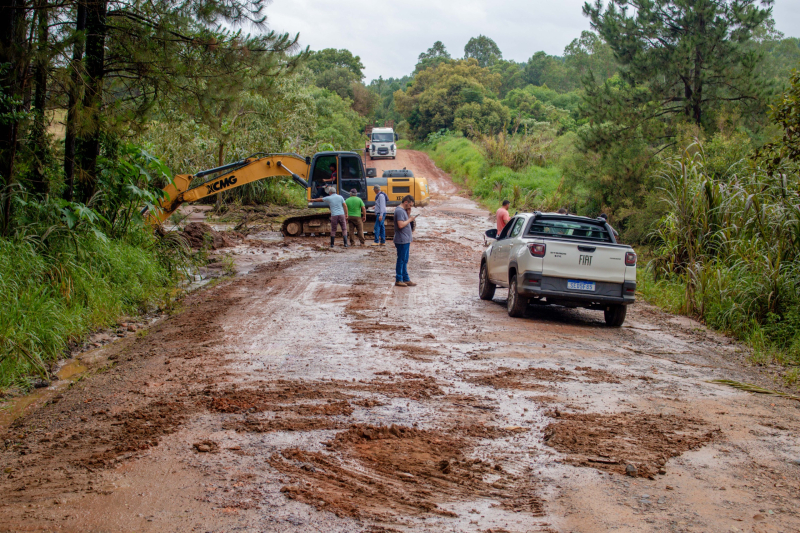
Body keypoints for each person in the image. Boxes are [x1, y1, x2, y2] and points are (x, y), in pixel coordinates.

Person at [393, 195, 417, 287]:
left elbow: (404, 221)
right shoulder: (399, 211)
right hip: (401, 239)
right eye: (410, 205)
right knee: (401, 260)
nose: (410, 207)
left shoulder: (402, 211)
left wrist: (408, 214)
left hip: (406, 239)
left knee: (405, 260)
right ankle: (399, 279)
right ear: (406, 202)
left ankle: (405, 279)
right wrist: (410, 219)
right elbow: (400, 225)